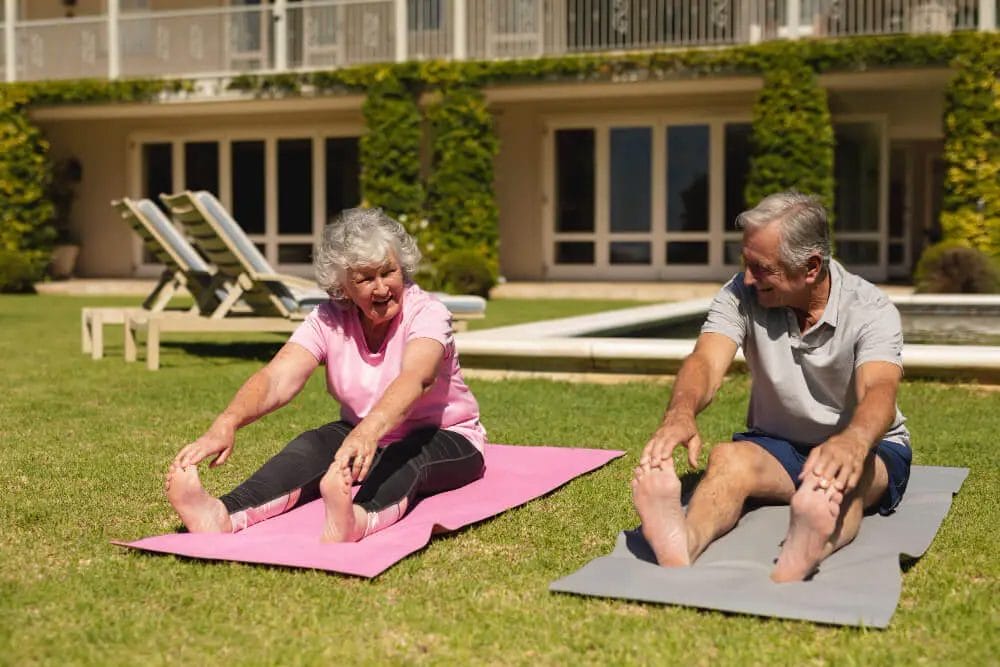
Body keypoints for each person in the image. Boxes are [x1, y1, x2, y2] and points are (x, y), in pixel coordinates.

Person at [632, 191, 912, 582]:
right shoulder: (741, 294)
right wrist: (680, 412)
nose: (748, 278)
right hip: (778, 444)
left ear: (810, 267)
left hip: (868, 448)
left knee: (840, 482)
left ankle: (809, 546)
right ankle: (682, 541)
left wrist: (854, 440)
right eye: (746, 264)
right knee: (728, 460)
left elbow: (879, 389)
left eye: (761, 268)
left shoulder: (871, 309)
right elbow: (706, 362)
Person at [164, 208, 486, 542]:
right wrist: (227, 422)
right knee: (312, 444)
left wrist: (368, 432)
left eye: (388, 272)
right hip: (365, 433)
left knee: (408, 455)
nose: (381, 288)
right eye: (364, 279)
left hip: (445, 435)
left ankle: (358, 519)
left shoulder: (427, 312)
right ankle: (221, 515)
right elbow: (277, 378)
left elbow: (416, 377)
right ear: (343, 287)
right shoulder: (328, 318)